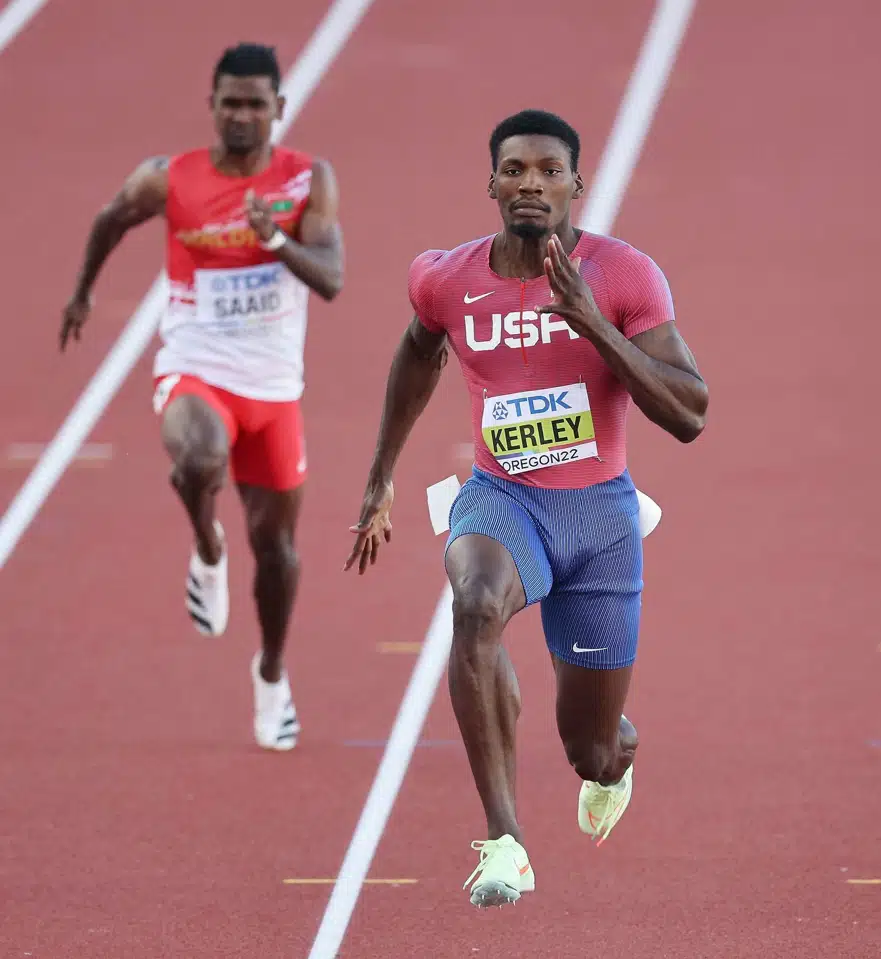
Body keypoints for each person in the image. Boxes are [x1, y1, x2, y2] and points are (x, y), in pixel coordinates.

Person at [343, 109, 707, 908]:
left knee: (591, 748)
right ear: (492, 184)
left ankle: (618, 753)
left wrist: (595, 329)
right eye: (515, 170)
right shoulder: (448, 277)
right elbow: (417, 350)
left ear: (576, 184)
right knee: (474, 603)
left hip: (600, 520)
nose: (531, 184)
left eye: (549, 171)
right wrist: (381, 476)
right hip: (503, 498)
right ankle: (504, 839)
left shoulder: (623, 275)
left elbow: (690, 412)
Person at [59, 42, 345, 752]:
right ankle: (208, 546)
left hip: (274, 384)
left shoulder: (309, 180)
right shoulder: (170, 178)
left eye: (256, 104)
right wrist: (82, 292)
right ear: (212, 105)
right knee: (195, 455)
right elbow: (109, 218)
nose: (242, 115)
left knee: (276, 550)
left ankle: (272, 673)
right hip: (197, 364)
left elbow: (332, 276)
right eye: (230, 103)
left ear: (278, 109)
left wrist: (274, 238)